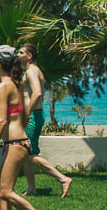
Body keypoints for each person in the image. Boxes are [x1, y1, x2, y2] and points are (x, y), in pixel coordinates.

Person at [0, 45, 54, 210]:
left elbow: (2, 121)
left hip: (15, 143)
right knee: (1, 189)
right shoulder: (15, 85)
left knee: (6, 191)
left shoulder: (3, 86)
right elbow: (24, 115)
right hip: (17, 142)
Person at [17, 43, 73, 198]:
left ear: (29, 56)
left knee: (29, 154)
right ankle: (31, 188)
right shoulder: (30, 71)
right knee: (27, 152)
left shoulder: (31, 71)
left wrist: (27, 113)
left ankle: (62, 178)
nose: (18, 55)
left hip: (33, 116)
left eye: (21, 53)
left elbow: (37, 94)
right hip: (34, 115)